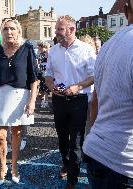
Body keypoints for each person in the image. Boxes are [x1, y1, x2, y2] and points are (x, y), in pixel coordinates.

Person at [0, 18, 40, 186]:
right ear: (2, 32)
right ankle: (2, 167)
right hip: (1, 94)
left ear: (19, 31)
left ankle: (14, 167)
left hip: (20, 96)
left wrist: (32, 101)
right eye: (6, 29)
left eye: (12, 29)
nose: (9, 32)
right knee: (0, 135)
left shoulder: (27, 49)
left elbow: (34, 78)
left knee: (16, 134)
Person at [83, 0, 133, 188]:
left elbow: (96, 101)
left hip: (99, 153)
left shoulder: (109, 44)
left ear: (126, 10)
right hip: (124, 163)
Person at [45, 15, 96, 189]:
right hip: (59, 101)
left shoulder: (86, 49)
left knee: (76, 141)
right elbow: (48, 75)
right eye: (57, 28)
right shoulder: (53, 50)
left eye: (60, 29)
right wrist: (52, 88)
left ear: (72, 29)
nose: (56, 32)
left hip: (78, 100)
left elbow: (93, 76)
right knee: (62, 138)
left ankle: (72, 179)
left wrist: (77, 87)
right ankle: (66, 164)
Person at [37, 41, 51, 108]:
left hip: (47, 74)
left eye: (39, 47)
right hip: (42, 73)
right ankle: (43, 101)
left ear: (44, 47)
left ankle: (46, 102)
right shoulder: (41, 54)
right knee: (42, 88)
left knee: (46, 89)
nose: (38, 48)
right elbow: (39, 62)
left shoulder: (48, 53)